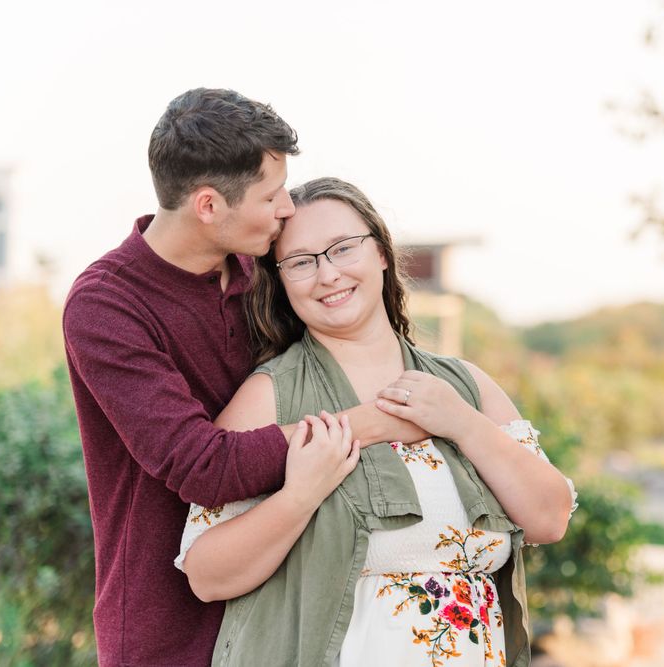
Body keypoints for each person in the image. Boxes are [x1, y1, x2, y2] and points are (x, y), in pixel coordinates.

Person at [63, 90, 419, 666]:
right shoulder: (106, 306)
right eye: (271, 195)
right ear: (208, 205)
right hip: (173, 631)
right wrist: (376, 421)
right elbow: (201, 465)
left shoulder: (269, 271)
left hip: (298, 613)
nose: (287, 209)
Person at [174, 177, 577, 666]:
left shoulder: (467, 386)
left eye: (343, 249)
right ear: (279, 280)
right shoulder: (270, 397)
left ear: (382, 253)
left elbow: (550, 518)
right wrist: (300, 495)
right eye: (301, 262)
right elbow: (206, 576)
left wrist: (462, 424)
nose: (327, 275)